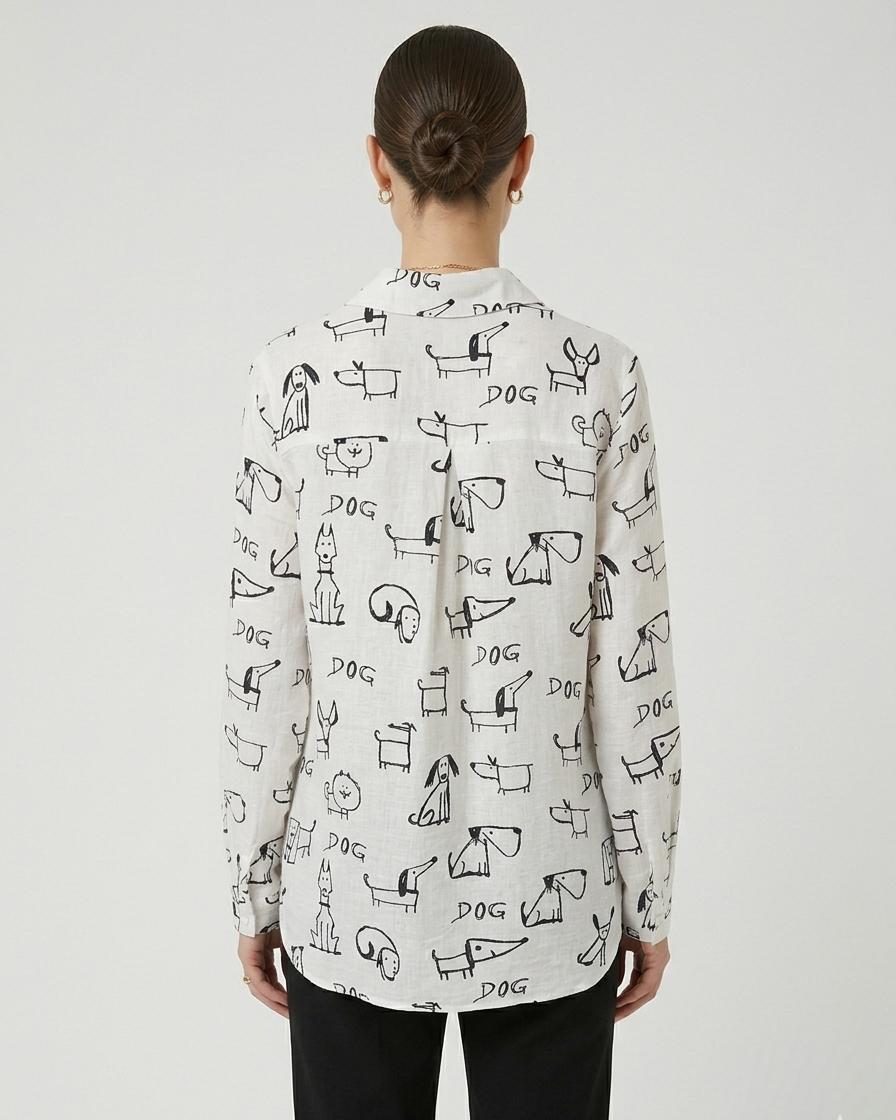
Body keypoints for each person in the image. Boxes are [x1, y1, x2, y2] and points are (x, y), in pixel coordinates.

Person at [218, 23, 683, 1120]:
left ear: (376, 163)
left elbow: (265, 664)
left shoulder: (293, 376)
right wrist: (649, 893)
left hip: (348, 892)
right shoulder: (598, 376)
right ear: (522, 162)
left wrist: (252, 885)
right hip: (548, 899)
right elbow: (633, 668)